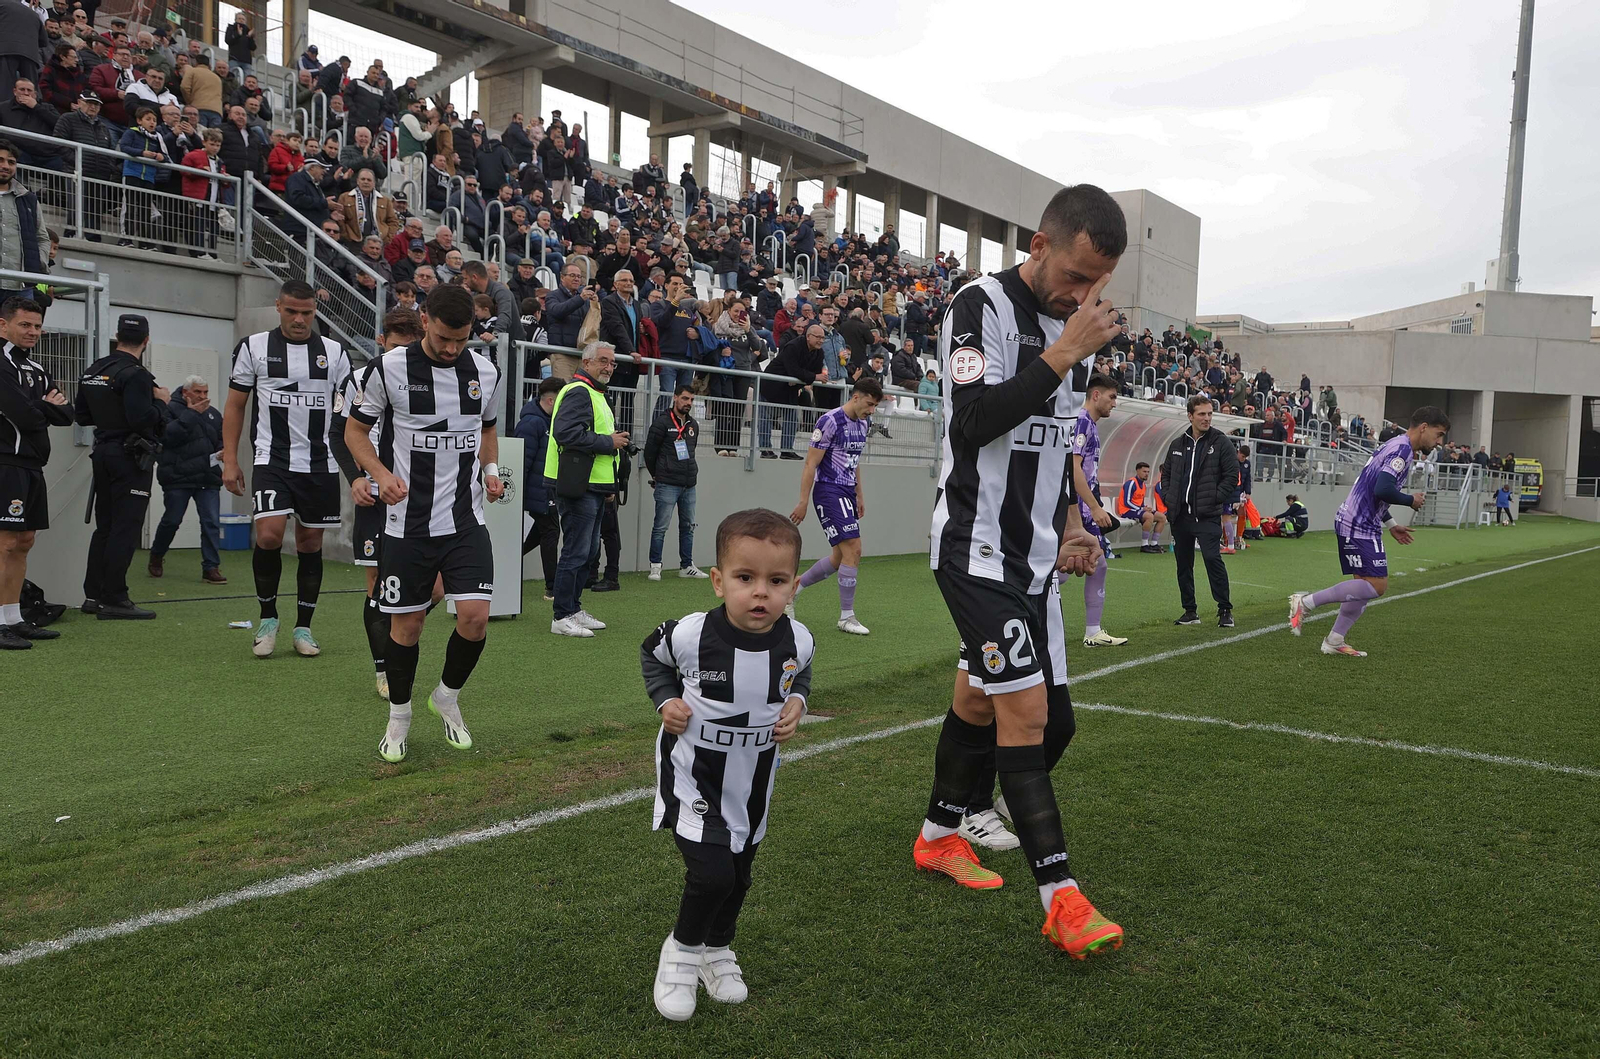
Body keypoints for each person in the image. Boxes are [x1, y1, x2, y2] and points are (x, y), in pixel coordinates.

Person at [917, 184, 1125, 956]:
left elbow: (1059, 436)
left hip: (1036, 559)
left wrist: (1074, 521)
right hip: (974, 552)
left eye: (1096, 285)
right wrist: (1065, 347)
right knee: (1027, 719)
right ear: (1040, 244)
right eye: (1075, 277)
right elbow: (973, 421)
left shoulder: (1077, 326)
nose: (1082, 296)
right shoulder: (979, 306)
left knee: (1007, 709)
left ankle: (942, 830)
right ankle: (1063, 899)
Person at [643, 508, 813, 1022]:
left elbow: (800, 673)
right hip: (693, 774)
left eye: (776, 580)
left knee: (739, 876)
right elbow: (653, 653)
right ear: (718, 582)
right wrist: (664, 700)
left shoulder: (799, 639)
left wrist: (797, 705)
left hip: (753, 783)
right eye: (745, 578)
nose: (760, 592)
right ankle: (681, 953)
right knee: (712, 873)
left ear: (793, 587)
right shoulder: (692, 635)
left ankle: (717, 949)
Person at [345, 285, 502, 762]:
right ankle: (399, 715)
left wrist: (491, 472)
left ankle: (447, 698)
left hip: (464, 517)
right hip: (406, 524)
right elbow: (354, 431)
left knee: (475, 618)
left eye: (462, 339)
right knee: (407, 626)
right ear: (425, 318)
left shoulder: (485, 371)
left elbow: (489, 427)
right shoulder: (388, 369)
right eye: (442, 338)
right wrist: (379, 474)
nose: (452, 349)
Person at [221, 280, 353, 658]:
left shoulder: (334, 353)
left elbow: (349, 412)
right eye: (291, 311)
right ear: (278, 306)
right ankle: (267, 620)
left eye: (307, 312)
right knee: (268, 537)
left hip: (320, 462)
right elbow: (235, 406)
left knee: (311, 543)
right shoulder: (254, 347)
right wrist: (230, 459)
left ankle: (304, 628)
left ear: (315, 311)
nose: (299, 319)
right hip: (272, 460)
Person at [1288, 407, 1448, 657]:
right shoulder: (1402, 449)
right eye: (1438, 435)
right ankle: (1305, 602)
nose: (1439, 443)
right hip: (1357, 523)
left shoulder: (1397, 443)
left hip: (1361, 521)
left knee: (1363, 585)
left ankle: (1334, 640)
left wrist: (1392, 524)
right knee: (1377, 586)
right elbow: (1382, 490)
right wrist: (1410, 500)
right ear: (1424, 427)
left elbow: (1373, 487)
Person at [331, 309, 431, 699]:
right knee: (376, 585)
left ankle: (397, 629)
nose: (401, 356)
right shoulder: (359, 378)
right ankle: (384, 670)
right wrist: (356, 478)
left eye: (408, 347)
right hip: (375, 495)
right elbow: (339, 435)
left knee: (434, 588)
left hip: (421, 498)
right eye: (394, 347)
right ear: (380, 341)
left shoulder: (431, 377)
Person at [74, 313, 170, 619]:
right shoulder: (137, 375)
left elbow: (83, 416)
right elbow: (143, 420)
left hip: (103, 452)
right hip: (130, 457)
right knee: (126, 529)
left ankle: (94, 595)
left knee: (106, 527)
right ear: (146, 340)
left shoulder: (95, 369)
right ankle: (115, 597)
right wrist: (163, 403)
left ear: (117, 336)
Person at [0, 296, 72, 648]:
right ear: (3, 325)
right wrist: (44, 406)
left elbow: (67, 413)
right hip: (5, 464)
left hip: (32, 467)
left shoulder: (38, 369)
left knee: (24, 542)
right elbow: (25, 416)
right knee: (4, 543)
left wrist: (39, 407)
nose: (32, 331)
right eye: (24, 325)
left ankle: (13, 618)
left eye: (37, 326)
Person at [546, 342, 629, 638]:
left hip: (591, 484)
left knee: (588, 550)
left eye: (612, 363)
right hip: (577, 485)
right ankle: (562, 615)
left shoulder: (593, 392)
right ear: (586, 362)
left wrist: (609, 484)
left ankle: (572, 608)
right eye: (603, 361)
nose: (608, 367)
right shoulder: (580, 391)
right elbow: (566, 434)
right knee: (577, 551)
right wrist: (610, 442)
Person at [788, 377, 881, 635]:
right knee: (855, 548)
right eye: (869, 404)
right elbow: (810, 464)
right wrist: (804, 501)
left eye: (874, 406)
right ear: (856, 397)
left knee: (840, 557)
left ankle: (793, 591)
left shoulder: (864, 422)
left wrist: (859, 495)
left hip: (847, 492)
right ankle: (846, 617)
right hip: (828, 490)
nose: (871, 410)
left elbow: (855, 459)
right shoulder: (829, 421)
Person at [1160, 395, 1238, 628]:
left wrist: (1214, 499)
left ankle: (1225, 610)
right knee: (1183, 564)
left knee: (1213, 559)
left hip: (1206, 515)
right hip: (1180, 516)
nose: (1206, 418)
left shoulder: (1221, 442)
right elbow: (1166, 475)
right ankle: (1190, 611)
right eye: (1202, 414)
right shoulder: (1177, 444)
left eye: (1210, 414)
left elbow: (1232, 476)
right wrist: (1168, 498)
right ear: (1190, 416)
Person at [147, 374, 226, 584]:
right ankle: (157, 554)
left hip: (208, 477)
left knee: (211, 522)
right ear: (185, 392)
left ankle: (211, 567)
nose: (203, 396)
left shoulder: (214, 415)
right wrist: (191, 414)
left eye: (205, 392)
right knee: (172, 521)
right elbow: (166, 437)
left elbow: (221, 438)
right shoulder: (168, 410)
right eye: (198, 392)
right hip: (177, 477)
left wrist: (223, 451)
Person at [1072, 374, 1128, 647]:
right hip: (1077, 513)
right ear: (1096, 395)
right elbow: (1072, 469)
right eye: (1112, 397)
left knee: (1097, 564)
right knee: (1058, 569)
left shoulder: (1090, 424)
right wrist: (1094, 508)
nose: (1114, 403)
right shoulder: (1082, 421)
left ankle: (1093, 632)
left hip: (1084, 510)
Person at [644, 384, 708, 581]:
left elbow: (691, 451)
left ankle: (686, 565)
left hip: (689, 484)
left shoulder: (693, 425)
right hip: (667, 483)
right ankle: (655, 566)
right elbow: (649, 453)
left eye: (691, 400)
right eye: (685, 398)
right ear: (675, 398)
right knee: (661, 527)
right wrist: (658, 475)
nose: (688, 403)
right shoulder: (661, 423)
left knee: (688, 526)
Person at [516, 376, 564, 600]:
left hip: (545, 492)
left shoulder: (547, 421)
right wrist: (521, 498)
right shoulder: (532, 423)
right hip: (538, 493)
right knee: (551, 532)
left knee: (544, 533)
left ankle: (509, 558)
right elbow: (521, 462)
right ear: (552, 401)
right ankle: (552, 587)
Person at [1116, 462, 1167, 553]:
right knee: (1149, 516)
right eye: (1144, 471)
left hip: (1137, 509)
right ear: (1137, 471)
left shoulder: (1143, 485)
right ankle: (1144, 545)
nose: (1146, 474)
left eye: (1148, 472)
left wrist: (1145, 508)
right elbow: (1127, 502)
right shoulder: (1131, 483)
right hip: (1126, 510)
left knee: (1162, 517)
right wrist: (1142, 509)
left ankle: (1154, 544)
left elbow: (1140, 501)